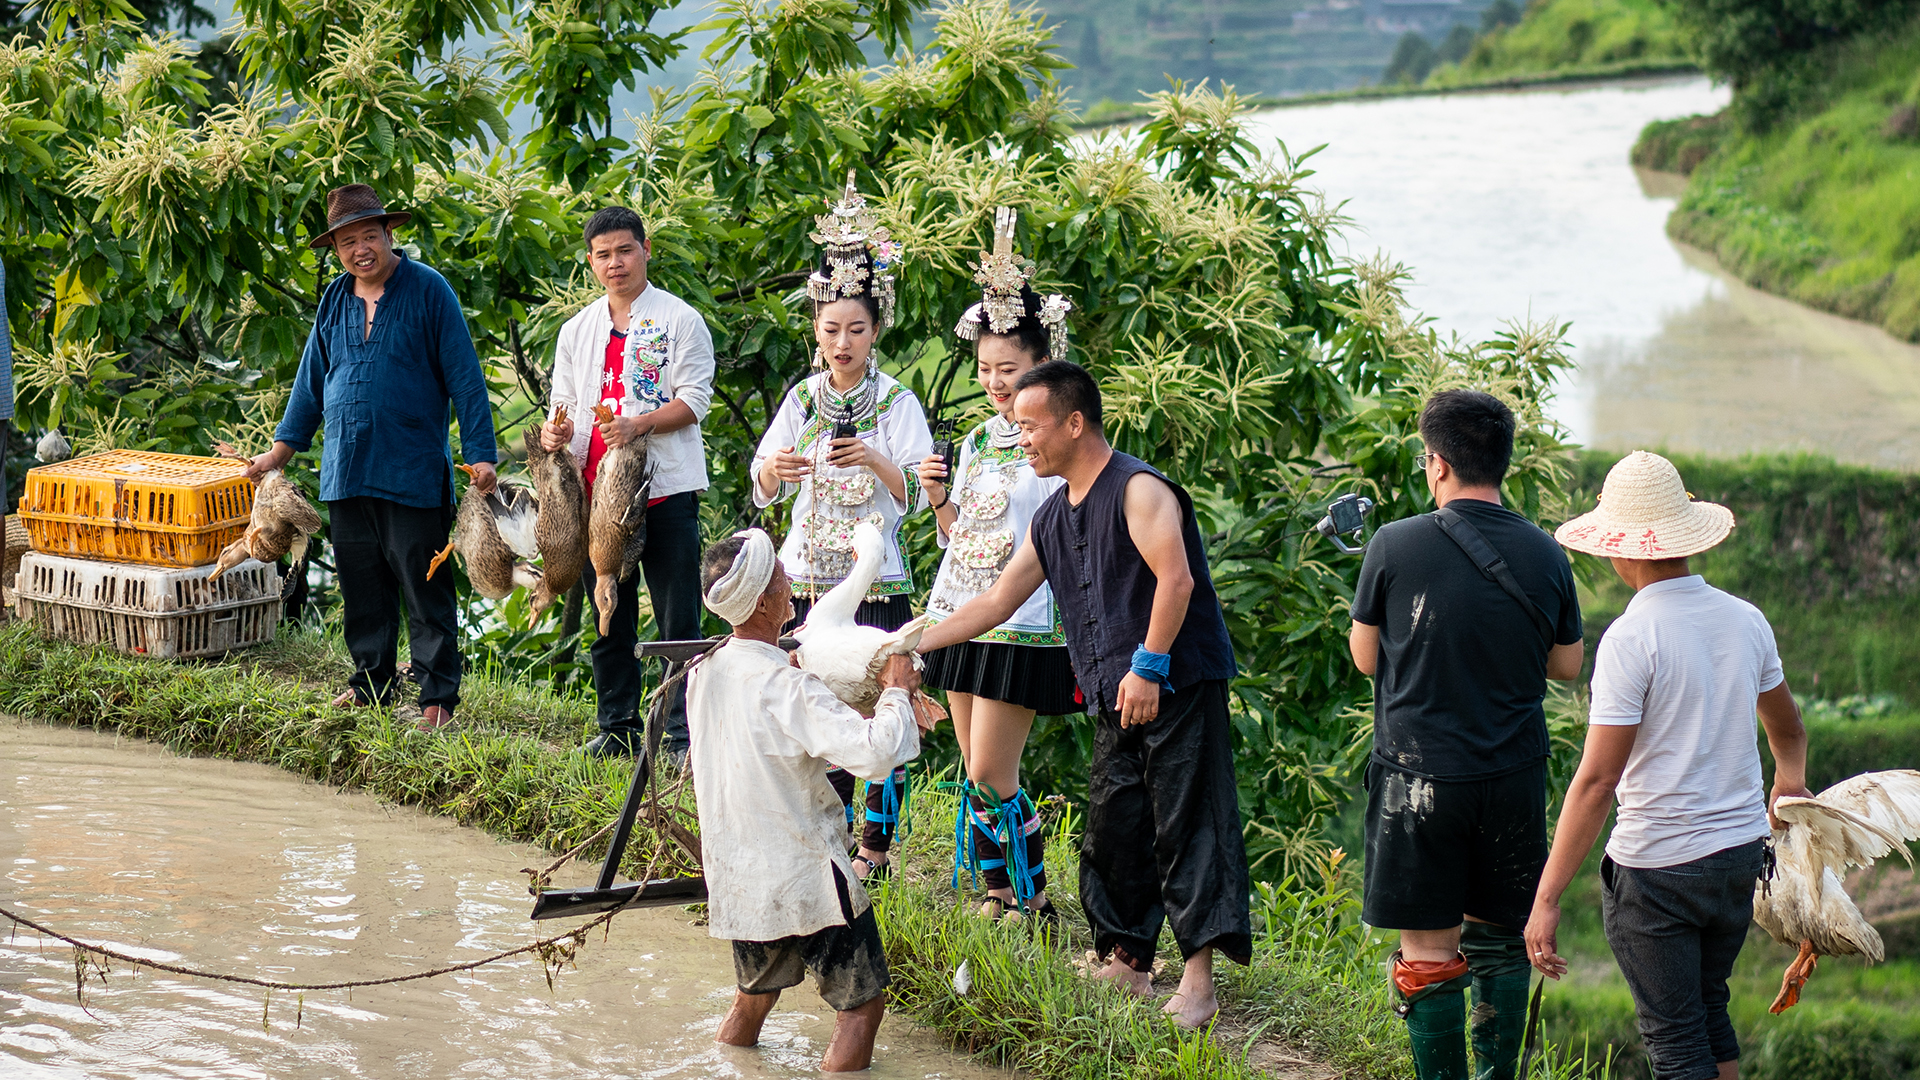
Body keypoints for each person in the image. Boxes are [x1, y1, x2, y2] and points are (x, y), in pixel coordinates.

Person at [915, 359, 1250, 1029]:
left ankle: (1198, 982)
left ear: (1074, 422)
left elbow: (1175, 582)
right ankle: (1126, 963)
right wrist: (908, 644)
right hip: (1112, 692)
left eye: (1030, 427)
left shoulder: (1139, 489)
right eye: (1015, 428)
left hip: (1174, 685)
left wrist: (1151, 667)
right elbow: (996, 600)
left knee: (1188, 828)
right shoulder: (1051, 515)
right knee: (1114, 828)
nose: (1022, 440)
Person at [1527, 451, 1809, 1080]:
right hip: (1740, 858)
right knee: (1709, 1010)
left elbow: (1598, 781)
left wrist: (1547, 899)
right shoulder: (1746, 620)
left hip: (1659, 871)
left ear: (1619, 549)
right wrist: (1788, 785)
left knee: (1675, 1041)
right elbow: (1787, 727)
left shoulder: (1631, 638)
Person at [1347, 389, 1585, 1080]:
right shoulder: (1545, 553)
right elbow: (1567, 666)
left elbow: (1366, 659)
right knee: (1502, 943)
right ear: (1502, 463)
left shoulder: (1394, 543)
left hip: (1418, 781)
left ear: (1437, 464)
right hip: (1511, 779)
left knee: (1428, 951)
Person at [249, 184, 498, 730]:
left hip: (411, 468)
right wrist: (279, 452)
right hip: (346, 467)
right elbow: (310, 382)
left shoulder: (430, 291)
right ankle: (370, 684)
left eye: (368, 235)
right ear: (336, 249)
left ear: (389, 235)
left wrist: (482, 455)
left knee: (424, 585)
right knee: (361, 584)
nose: (359, 249)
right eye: (346, 241)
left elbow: (466, 378)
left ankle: (437, 698)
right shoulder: (335, 299)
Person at [751, 174, 932, 879]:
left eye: (857, 329)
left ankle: (873, 850)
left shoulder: (897, 401)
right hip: (806, 579)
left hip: (874, 579)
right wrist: (781, 470)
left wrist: (878, 458)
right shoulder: (802, 396)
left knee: (883, 703)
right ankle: (815, 832)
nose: (843, 341)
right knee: (809, 703)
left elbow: (917, 494)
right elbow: (762, 487)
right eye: (831, 330)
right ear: (815, 331)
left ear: (876, 330)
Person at [687, 527, 921, 1073]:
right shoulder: (788, 685)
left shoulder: (704, 671)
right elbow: (875, 756)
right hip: (807, 872)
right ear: (766, 602)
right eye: (781, 576)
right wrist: (895, 689)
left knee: (753, 997)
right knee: (863, 1006)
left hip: (742, 872)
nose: (792, 582)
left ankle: (727, 1066)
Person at [915, 208, 1077, 920]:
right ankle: (997, 893)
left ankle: (1034, 898)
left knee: (991, 769)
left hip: (1020, 621)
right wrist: (939, 501)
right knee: (973, 772)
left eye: (1008, 370)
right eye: (985, 370)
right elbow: (961, 538)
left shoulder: (1057, 442)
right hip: (958, 612)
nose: (993, 383)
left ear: (1043, 365)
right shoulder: (979, 439)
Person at [540, 206, 715, 759]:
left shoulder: (680, 319)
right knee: (607, 610)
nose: (614, 263)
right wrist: (555, 434)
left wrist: (640, 424)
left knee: (676, 614)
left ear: (645, 250)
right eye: (603, 254)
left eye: (624, 250)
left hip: (664, 488)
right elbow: (562, 408)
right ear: (591, 262)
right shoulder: (577, 330)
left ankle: (681, 734)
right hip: (599, 498)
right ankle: (616, 724)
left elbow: (695, 400)